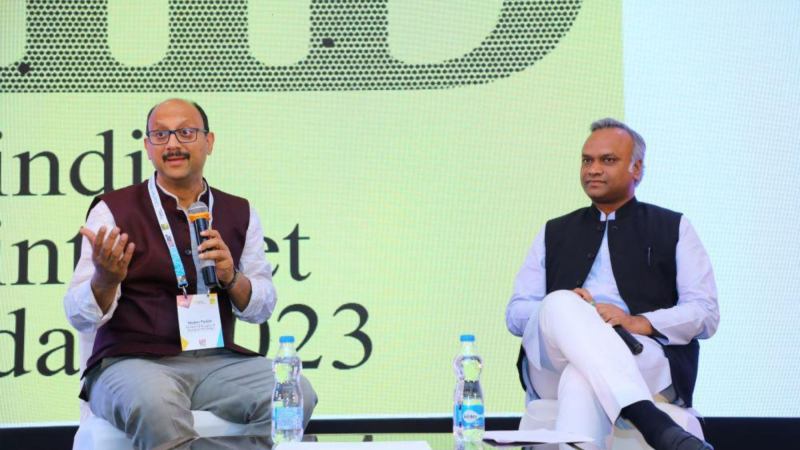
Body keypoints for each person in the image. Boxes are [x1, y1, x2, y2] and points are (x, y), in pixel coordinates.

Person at [64, 98, 317, 449]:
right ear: (147, 147)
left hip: (216, 362)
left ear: (209, 142)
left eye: (185, 132)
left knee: (295, 393)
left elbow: (261, 308)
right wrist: (104, 280)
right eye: (161, 135)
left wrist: (231, 277)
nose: (173, 144)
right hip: (133, 362)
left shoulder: (240, 211)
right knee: (156, 407)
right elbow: (78, 314)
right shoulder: (112, 210)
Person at [506, 118, 719, 450]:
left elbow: (705, 313)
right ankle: (652, 423)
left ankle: (641, 413)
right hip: (553, 360)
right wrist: (571, 312)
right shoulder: (554, 231)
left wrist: (640, 321)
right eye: (587, 160)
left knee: (580, 377)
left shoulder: (673, 226)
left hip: (639, 350)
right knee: (560, 302)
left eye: (607, 160)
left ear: (637, 168)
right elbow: (516, 313)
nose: (593, 169)